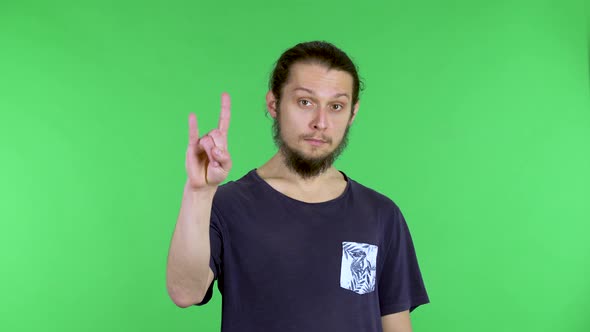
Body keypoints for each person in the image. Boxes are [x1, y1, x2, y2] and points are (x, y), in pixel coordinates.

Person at [166, 41, 430, 332]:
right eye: (305, 102)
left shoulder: (380, 214)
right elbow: (184, 292)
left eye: (336, 106)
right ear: (274, 104)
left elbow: (396, 323)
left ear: (352, 114)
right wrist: (198, 193)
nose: (321, 122)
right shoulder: (228, 204)